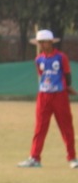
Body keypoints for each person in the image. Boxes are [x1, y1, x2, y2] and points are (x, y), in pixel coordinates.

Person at [17, 28, 78, 169]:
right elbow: (42, 76)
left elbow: (67, 76)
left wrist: (65, 88)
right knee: (40, 127)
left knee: (66, 127)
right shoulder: (38, 59)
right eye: (39, 43)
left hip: (60, 96)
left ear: (50, 42)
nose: (42, 45)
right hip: (43, 96)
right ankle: (34, 158)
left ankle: (73, 158)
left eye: (44, 42)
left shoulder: (61, 57)